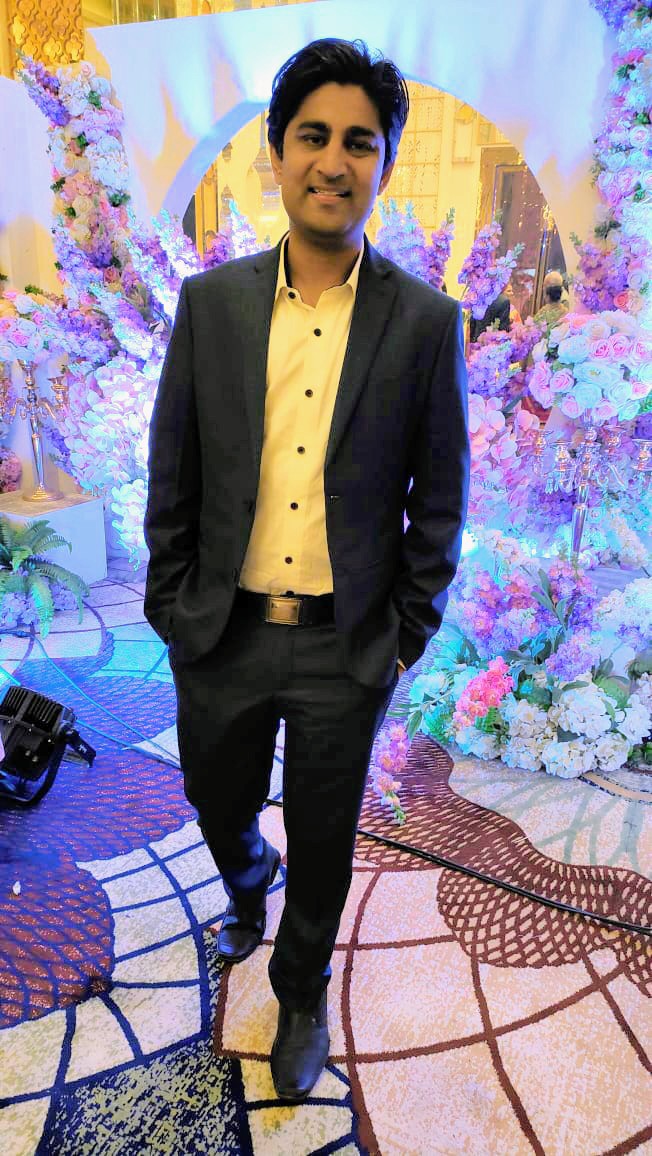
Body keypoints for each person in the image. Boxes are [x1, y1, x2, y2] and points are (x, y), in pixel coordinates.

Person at [144, 38, 469, 1103]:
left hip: (345, 642)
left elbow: (440, 498)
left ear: (384, 163)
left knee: (325, 834)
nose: (334, 161)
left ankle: (299, 991)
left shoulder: (425, 323)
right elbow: (174, 469)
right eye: (313, 136)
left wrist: (404, 634)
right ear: (276, 155)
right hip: (223, 628)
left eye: (359, 142)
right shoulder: (212, 304)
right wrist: (171, 602)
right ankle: (247, 878)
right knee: (215, 794)